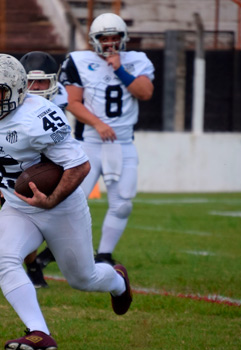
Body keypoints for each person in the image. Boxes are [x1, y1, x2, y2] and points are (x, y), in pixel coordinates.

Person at [0, 53, 132, 350]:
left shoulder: (39, 117)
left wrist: (51, 199)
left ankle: (118, 281)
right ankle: (39, 334)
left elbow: (80, 166)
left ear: (16, 89)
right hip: (19, 204)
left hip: (61, 206)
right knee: (2, 256)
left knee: (83, 278)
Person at [59, 13, 155, 266]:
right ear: (94, 39)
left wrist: (119, 68)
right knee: (72, 203)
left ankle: (103, 255)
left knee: (122, 204)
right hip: (88, 143)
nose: (110, 42)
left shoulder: (137, 61)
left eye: (115, 37)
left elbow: (145, 93)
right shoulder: (79, 61)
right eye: (104, 37)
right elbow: (71, 101)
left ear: (123, 38)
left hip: (122, 144)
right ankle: (59, 253)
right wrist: (98, 124)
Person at [19, 51, 66, 289]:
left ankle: (52, 252)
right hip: (23, 166)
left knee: (66, 226)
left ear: (53, 81)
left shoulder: (62, 97)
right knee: (27, 223)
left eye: (42, 81)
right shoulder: (12, 101)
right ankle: (33, 265)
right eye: (29, 82)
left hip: (55, 162)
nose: (35, 87)